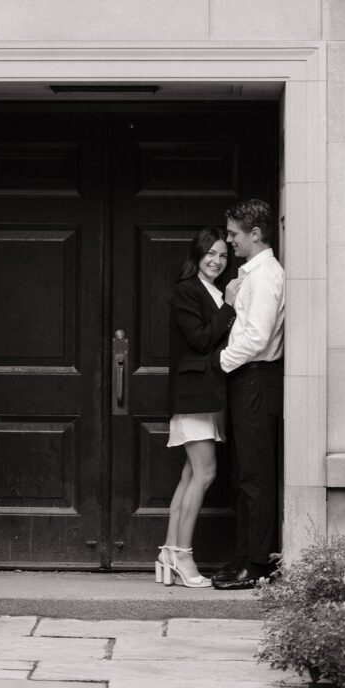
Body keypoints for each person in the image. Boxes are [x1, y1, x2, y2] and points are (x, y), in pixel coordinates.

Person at [211, 198, 285, 591]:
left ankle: (257, 565)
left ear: (255, 234)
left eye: (234, 234)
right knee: (243, 474)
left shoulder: (265, 275)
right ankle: (244, 556)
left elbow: (256, 337)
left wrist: (219, 362)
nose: (229, 240)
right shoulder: (251, 274)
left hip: (255, 379)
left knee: (254, 475)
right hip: (247, 380)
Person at [159, 227, 236, 588]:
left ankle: (168, 552)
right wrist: (230, 306)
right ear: (197, 254)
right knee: (205, 474)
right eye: (211, 253)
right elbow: (202, 339)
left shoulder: (215, 291)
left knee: (190, 475)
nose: (217, 261)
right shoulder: (187, 290)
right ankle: (183, 554)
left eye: (223, 255)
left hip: (207, 396)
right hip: (193, 396)